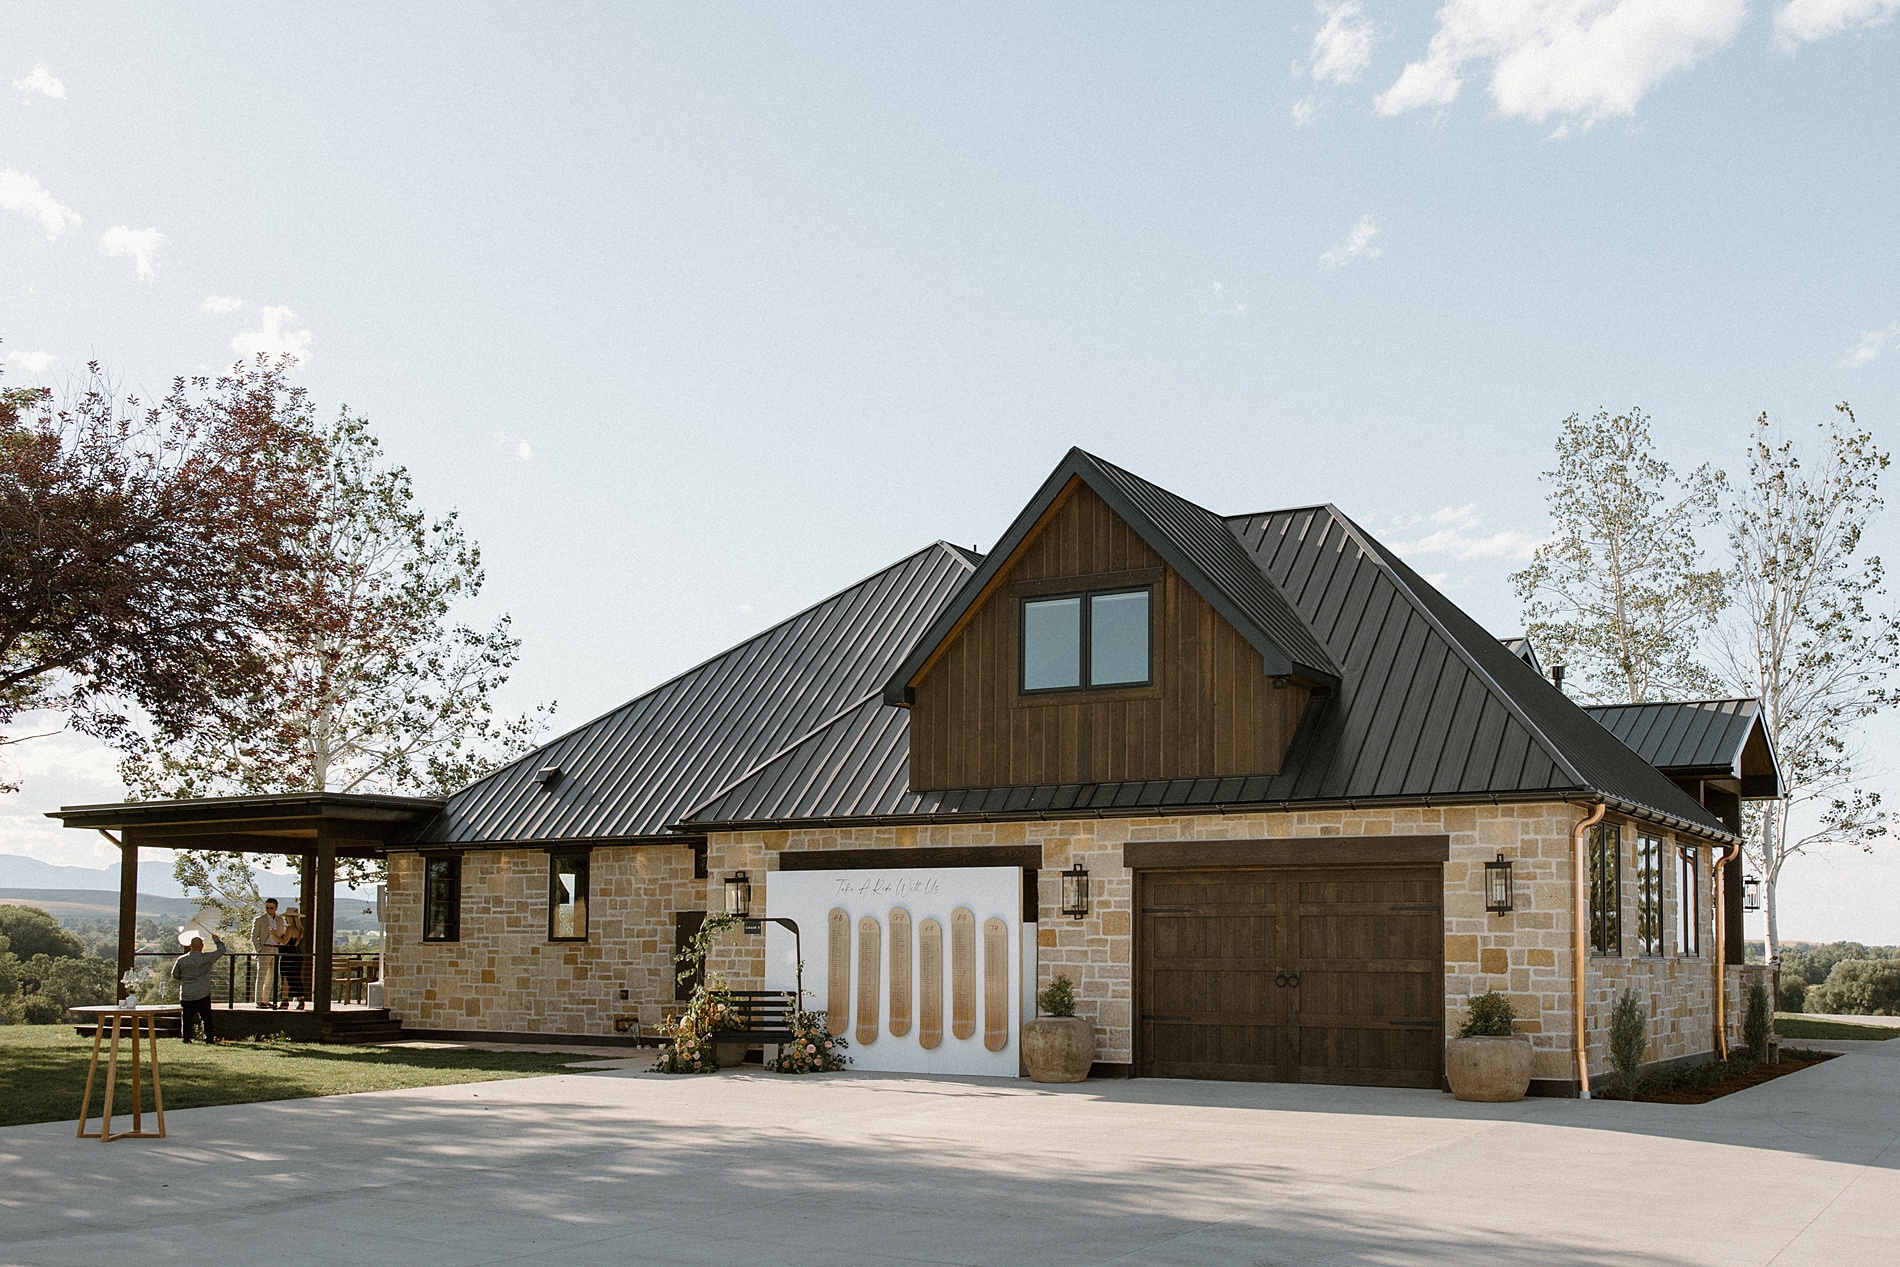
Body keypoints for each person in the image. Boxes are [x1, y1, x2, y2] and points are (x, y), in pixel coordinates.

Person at [171, 932, 226, 1042]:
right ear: (202, 946)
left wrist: (185, 979)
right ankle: (209, 1038)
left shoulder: (181, 960)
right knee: (206, 1018)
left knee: (187, 1018)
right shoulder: (206, 958)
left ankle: (186, 1037)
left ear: (190, 946)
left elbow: (175, 974)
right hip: (203, 992)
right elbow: (221, 950)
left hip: (187, 993)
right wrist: (217, 940)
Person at [251, 898, 285, 1008]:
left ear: (276, 908)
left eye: (271, 908)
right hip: (265, 949)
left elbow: (281, 934)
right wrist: (259, 949)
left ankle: (266, 999)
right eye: (267, 908)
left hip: (275, 948)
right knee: (261, 975)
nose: (269, 910)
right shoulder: (260, 919)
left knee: (271, 977)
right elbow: (254, 936)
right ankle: (259, 1000)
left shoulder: (280, 920)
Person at [280, 907, 308, 1010]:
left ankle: (284, 1001)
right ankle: (301, 1000)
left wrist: (275, 936)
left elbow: (284, 942)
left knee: (286, 979)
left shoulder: (290, 929)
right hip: (297, 955)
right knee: (296, 978)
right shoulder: (300, 929)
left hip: (288, 955)